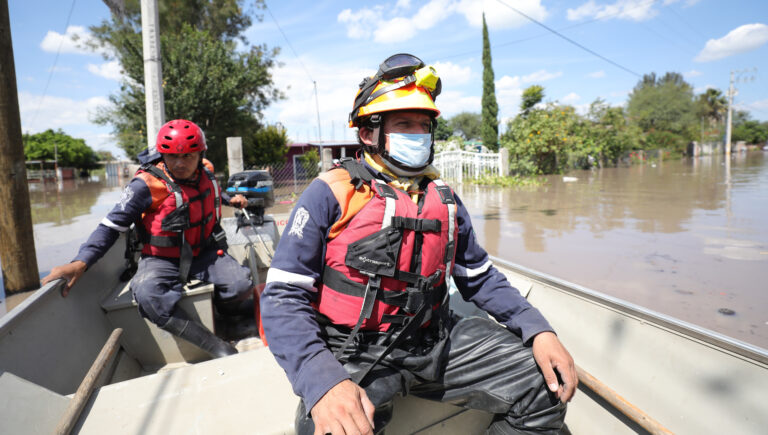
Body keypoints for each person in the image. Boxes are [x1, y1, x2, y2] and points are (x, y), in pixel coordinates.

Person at [260, 54, 577, 434]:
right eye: (404, 124)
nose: (418, 134)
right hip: (357, 349)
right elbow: (283, 297)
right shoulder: (330, 193)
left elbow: (480, 277)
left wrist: (538, 329)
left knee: (543, 384)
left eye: (424, 125)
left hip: (437, 340)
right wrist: (321, 379)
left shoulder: (444, 198)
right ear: (368, 133)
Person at [42, 119, 253, 358]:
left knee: (241, 284)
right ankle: (216, 345)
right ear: (162, 155)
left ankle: (225, 320)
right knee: (148, 296)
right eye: (172, 156)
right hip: (162, 258)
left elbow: (208, 192)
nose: (180, 163)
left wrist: (228, 199)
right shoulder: (145, 185)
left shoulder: (206, 171)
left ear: (200, 154)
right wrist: (81, 261)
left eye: (188, 157)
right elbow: (110, 226)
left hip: (203, 251)